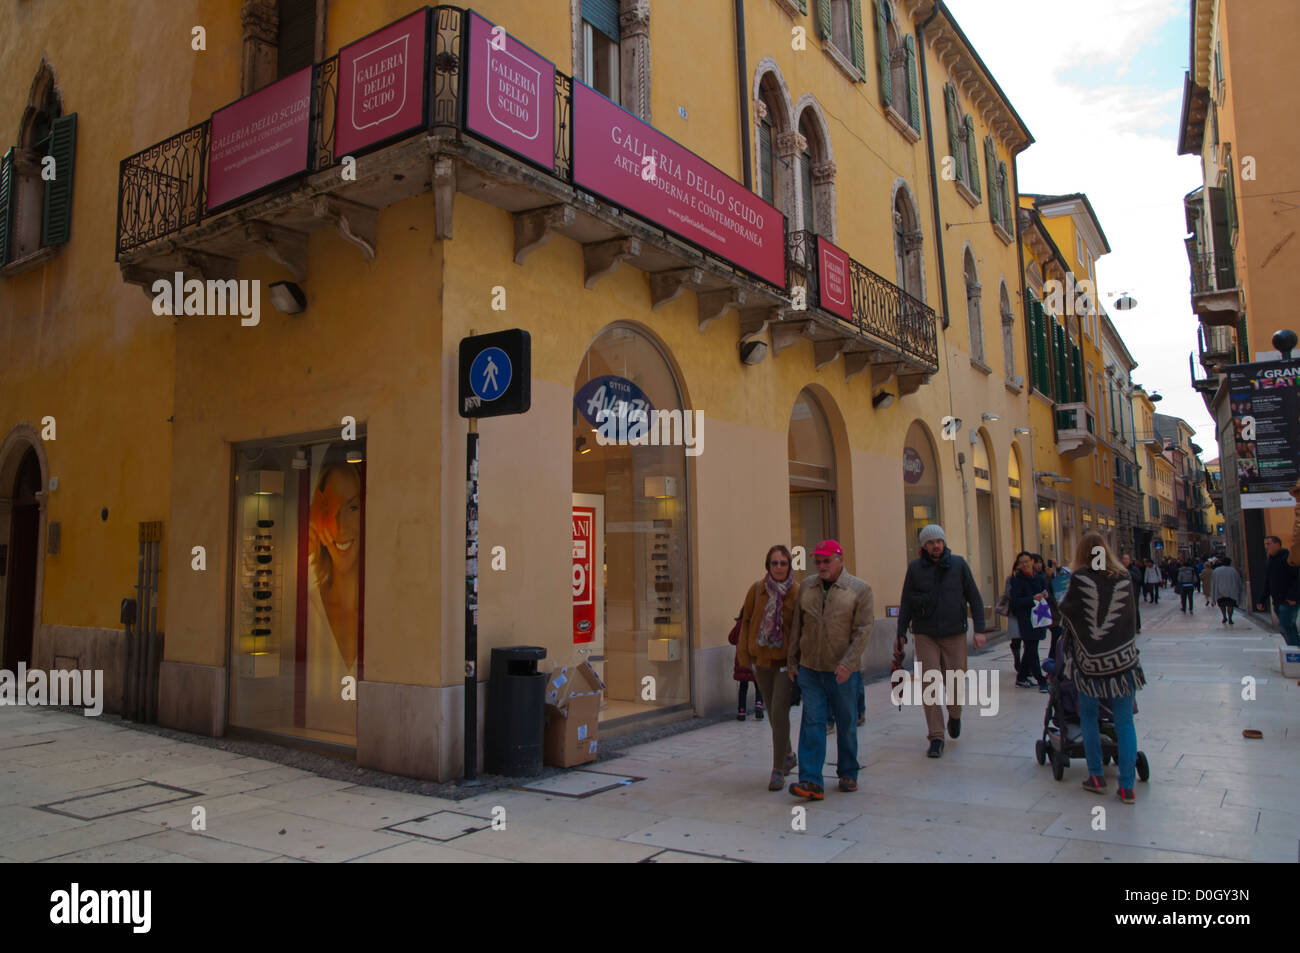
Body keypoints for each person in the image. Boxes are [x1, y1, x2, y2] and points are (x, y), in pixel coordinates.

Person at [1059, 533, 1144, 804]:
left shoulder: (1080, 579)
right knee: (1124, 721)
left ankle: (1096, 776)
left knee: (1089, 717)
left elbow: (1067, 613)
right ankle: (1127, 785)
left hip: (1090, 665)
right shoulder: (1124, 578)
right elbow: (1130, 618)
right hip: (1123, 662)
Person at [787, 540, 874, 800]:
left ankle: (848, 771)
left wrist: (848, 663)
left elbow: (863, 631)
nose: (822, 566)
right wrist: (793, 662)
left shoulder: (860, 589)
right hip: (811, 668)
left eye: (827, 561)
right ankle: (811, 780)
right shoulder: (806, 587)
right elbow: (796, 627)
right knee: (812, 721)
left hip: (842, 670)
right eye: (818, 561)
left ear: (839, 559)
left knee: (846, 720)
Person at [895, 524, 986, 759]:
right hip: (925, 634)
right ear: (924, 546)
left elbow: (974, 596)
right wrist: (901, 633)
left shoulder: (958, 565)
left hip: (954, 633)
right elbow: (905, 601)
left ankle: (955, 715)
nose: (936, 545)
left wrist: (980, 630)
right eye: (931, 542)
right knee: (930, 684)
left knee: (955, 682)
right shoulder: (915, 569)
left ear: (944, 543)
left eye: (939, 541)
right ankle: (936, 736)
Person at [306, 457, 363, 737]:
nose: (340, 525)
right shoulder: (306, 607)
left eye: (352, 507)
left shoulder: (387, 611)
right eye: (330, 509)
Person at [738, 545, 797, 790]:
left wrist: (796, 661)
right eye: (775, 563)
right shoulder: (757, 590)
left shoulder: (797, 592)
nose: (779, 567)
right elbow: (746, 622)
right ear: (768, 566)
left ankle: (777, 769)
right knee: (773, 714)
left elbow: (798, 630)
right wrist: (744, 655)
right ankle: (790, 755)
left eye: (783, 563)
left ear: (789, 566)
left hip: (785, 662)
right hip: (761, 660)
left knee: (779, 711)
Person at [1009, 551, 1050, 692]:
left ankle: (1021, 678)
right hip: (1026, 619)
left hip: (1039, 616)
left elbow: (1047, 594)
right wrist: (1032, 599)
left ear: (1032, 561)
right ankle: (1041, 680)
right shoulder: (1017, 580)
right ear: (1019, 565)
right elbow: (1015, 602)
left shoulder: (1039, 578)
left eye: (1027, 561)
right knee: (1032, 650)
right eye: (1022, 562)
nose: (1025, 564)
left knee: (1031, 648)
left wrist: (1045, 596)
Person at [1256, 534, 1300, 647]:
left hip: (1289, 601)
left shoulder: (1289, 559)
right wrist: (1262, 600)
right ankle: (1294, 651)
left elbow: (1298, 578)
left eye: (1269, 544)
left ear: (1277, 544)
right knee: (1285, 628)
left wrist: (1293, 596)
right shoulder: (1269, 561)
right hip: (1277, 601)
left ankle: (1294, 653)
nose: (1266, 547)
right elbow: (1268, 582)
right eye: (1265, 544)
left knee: (1286, 626)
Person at [1210, 556, 1244, 625]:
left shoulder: (1216, 571)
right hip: (1231, 591)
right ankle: (1230, 618)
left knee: (1222, 605)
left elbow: (1213, 583)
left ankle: (1224, 616)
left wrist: (1213, 597)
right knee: (1230, 605)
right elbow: (1238, 582)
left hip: (1220, 591)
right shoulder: (1233, 571)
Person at [1121, 553, 1143, 634]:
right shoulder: (1120, 569)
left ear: (1129, 560)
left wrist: (1128, 572)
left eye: (1127, 559)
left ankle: (1137, 627)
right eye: (1124, 559)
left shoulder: (1134, 569)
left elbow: (1139, 579)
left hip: (1134, 592)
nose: (1125, 561)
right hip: (1123, 592)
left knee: (1135, 609)